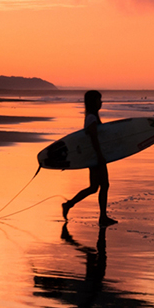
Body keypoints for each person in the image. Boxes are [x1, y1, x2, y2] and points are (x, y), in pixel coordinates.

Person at [62, 90, 118, 228]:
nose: (101, 102)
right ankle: (102, 217)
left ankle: (69, 204)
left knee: (94, 187)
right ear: (93, 102)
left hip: (93, 156)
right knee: (104, 185)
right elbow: (93, 137)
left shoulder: (90, 116)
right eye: (99, 100)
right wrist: (100, 155)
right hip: (96, 156)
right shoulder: (92, 118)